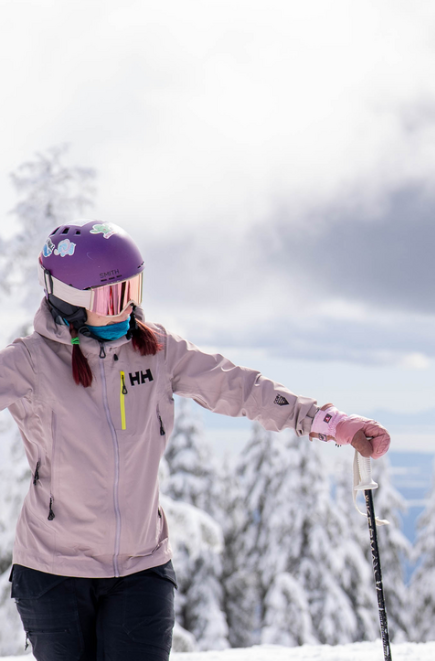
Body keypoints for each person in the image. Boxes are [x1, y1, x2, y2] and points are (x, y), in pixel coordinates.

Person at [6, 220, 392, 661]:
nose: (127, 306)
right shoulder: (30, 362)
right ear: (69, 299)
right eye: (113, 295)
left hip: (140, 568)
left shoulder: (156, 350)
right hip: (54, 573)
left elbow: (240, 387)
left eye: (134, 289)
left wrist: (328, 421)